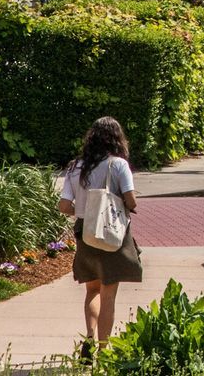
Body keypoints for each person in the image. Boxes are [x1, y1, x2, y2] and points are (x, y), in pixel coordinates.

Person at [58, 117, 142, 358]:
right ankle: (104, 351)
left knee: (92, 290)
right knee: (108, 294)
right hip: (110, 232)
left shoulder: (75, 167)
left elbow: (64, 205)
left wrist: (84, 211)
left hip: (85, 231)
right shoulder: (118, 166)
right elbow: (131, 200)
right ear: (117, 139)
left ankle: (89, 337)